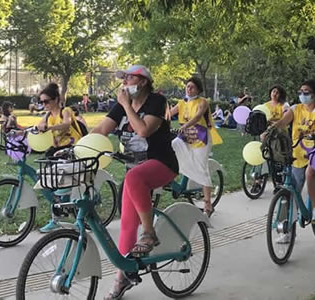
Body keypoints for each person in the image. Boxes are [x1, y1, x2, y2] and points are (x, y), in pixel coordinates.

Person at [91, 65, 178, 299]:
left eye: (128, 77)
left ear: (143, 82)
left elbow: (143, 131)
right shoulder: (121, 105)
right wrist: (79, 145)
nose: (124, 82)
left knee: (134, 177)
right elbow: (102, 129)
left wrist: (127, 106)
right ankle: (123, 277)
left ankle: (149, 232)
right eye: (124, 78)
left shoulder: (157, 101)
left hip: (162, 164)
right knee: (127, 225)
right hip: (134, 172)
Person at [274, 79, 315, 228]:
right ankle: (285, 228)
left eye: (306, 92)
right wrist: (270, 130)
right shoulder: (295, 109)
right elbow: (282, 122)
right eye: (300, 92)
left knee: (310, 174)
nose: (302, 95)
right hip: (298, 153)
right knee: (292, 191)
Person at [170, 77, 222, 217]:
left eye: (192, 87)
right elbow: (168, 114)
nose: (189, 89)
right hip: (185, 137)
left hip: (201, 139)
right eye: (187, 86)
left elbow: (198, 116)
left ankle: (208, 205)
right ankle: (177, 175)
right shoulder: (181, 103)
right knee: (171, 147)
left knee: (201, 169)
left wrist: (185, 126)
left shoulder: (202, 102)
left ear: (198, 89)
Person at [36, 83, 83, 233]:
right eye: (41, 102)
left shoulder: (66, 111)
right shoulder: (48, 115)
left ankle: (60, 216)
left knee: (61, 183)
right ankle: (61, 208)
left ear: (56, 99)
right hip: (57, 150)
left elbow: (66, 124)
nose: (44, 105)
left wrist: (49, 128)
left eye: (46, 101)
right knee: (45, 179)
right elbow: (39, 126)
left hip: (72, 148)